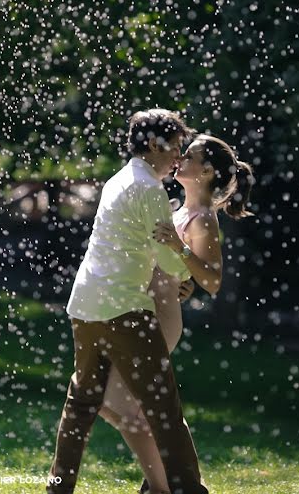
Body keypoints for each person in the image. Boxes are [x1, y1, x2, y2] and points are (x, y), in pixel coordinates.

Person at [46, 109, 209, 494]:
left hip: (85, 306)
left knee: (82, 402)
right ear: (154, 144)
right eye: (175, 149)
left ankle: (58, 487)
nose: (178, 159)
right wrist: (188, 277)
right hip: (125, 310)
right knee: (163, 408)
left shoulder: (119, 180)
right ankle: (188, 489)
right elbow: (167, 255)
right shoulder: (149, 187)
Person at [98, 134, 255, 494]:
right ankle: (175, 482)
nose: (180, 157)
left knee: (115, 402)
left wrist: (179, 250)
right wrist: (178, 276)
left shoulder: (203, 219)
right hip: (141, 310)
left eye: (191, 154)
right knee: (147, 406)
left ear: (208, 171)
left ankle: (166, 484)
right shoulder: (175, 207)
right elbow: (175, 269)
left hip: (160, 319)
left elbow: (212, 280)